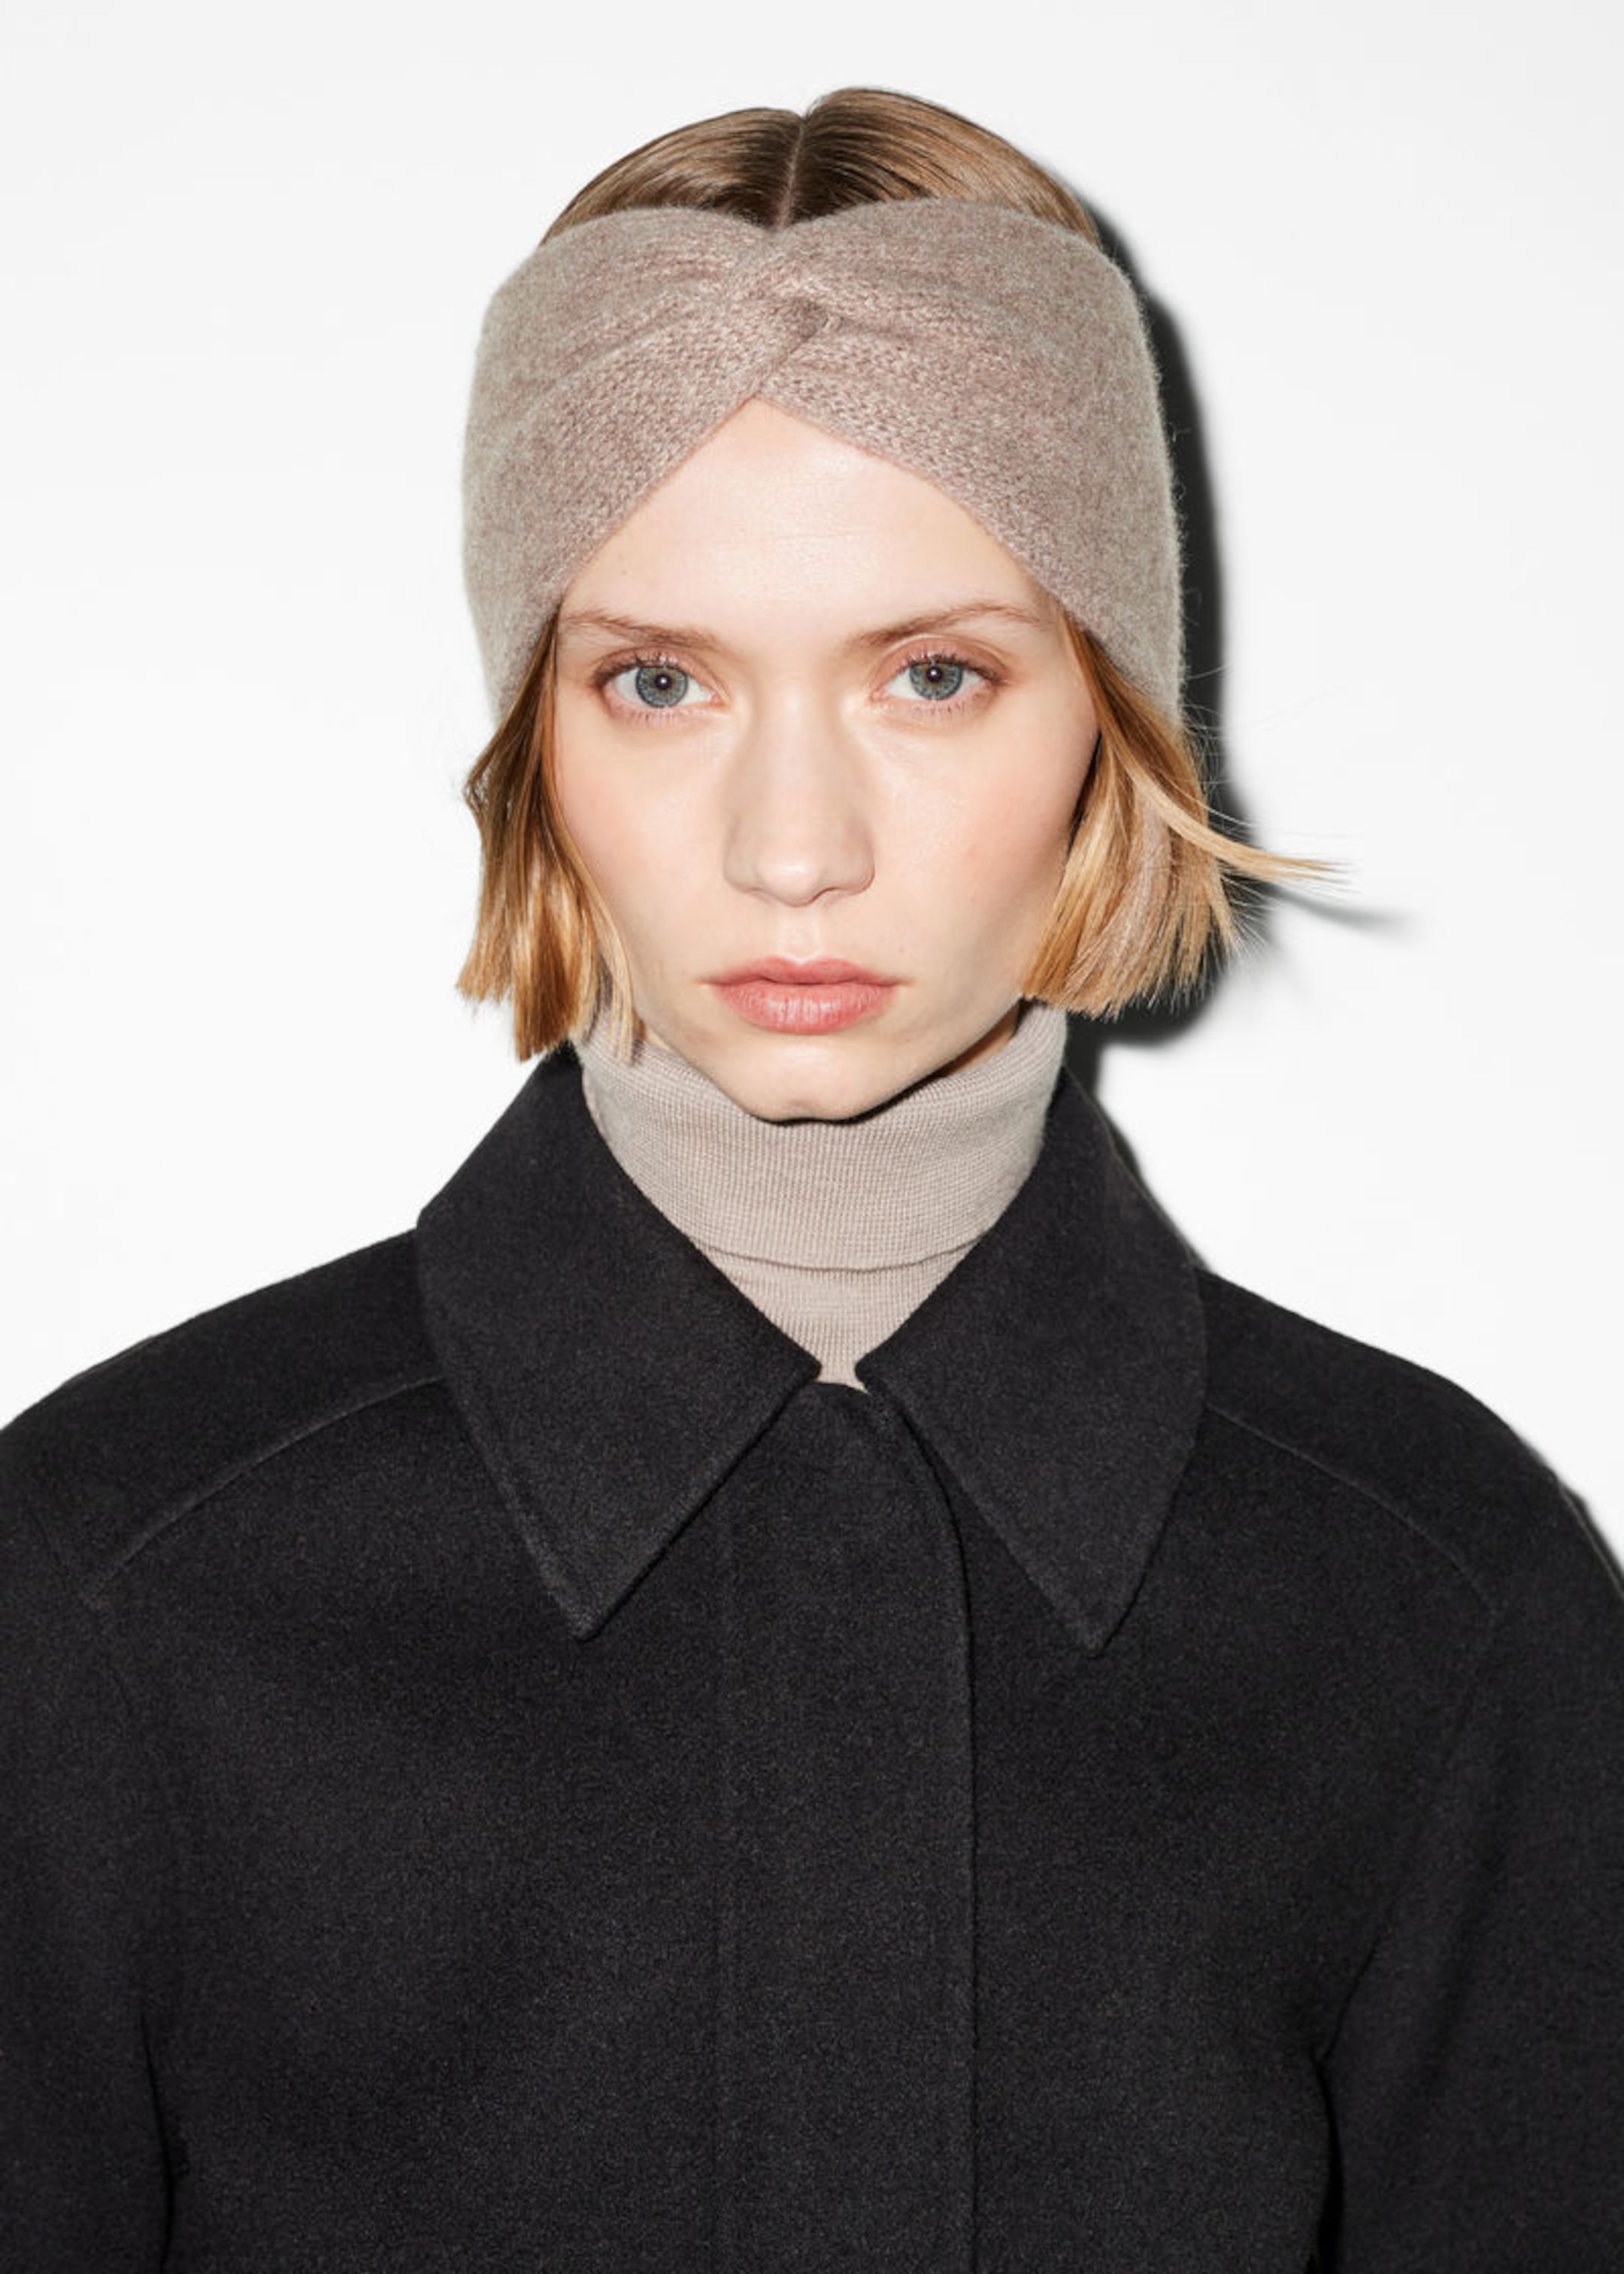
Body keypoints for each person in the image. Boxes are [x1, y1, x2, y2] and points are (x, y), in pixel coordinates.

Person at [3, 85, 1621, 2272]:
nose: (793, 847)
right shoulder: (110, 1581)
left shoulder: (1441, 1603)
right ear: (535, 743)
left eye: (934, 675)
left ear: (1107, 722)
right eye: (660, 680)